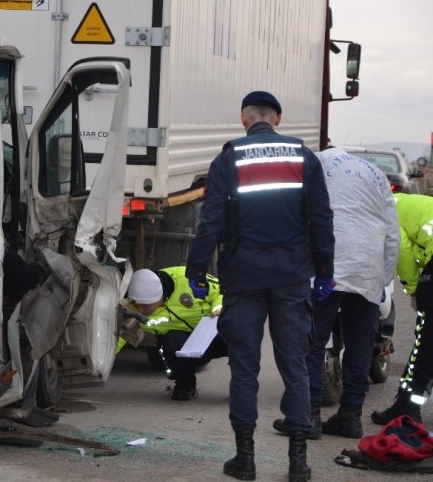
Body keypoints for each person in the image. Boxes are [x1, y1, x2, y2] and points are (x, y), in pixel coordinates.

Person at [186, 91, 335, 482]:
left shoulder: (229, 157)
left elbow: (210, 222)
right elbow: (321, 218)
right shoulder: (304, 158)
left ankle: (245, 460)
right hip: (291, 277)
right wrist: (325, 271)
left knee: (245, 369)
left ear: (244, 119)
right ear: (278, 119)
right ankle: (298, 464)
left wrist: (196, 271)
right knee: (296, 366)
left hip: (244, 278)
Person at [273, 147, 399, 440]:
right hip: (368, 266)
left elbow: (297, 215)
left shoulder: (314, 163)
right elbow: (392, 233)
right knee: (360, 345)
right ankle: (350, 417)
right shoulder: (377, 175)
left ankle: (309, 417)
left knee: (312, 342)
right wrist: (383, 278)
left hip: (329, 264)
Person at [371, 192, 433, 425]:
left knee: (425, 344)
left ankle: (407, 406)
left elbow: (402, 250)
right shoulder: (412, 204)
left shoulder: (387, 210)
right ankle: (405, 402)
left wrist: (414, 288)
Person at [121, 267, 227, 401]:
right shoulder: (132, 310)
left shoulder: (188, 279)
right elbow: (120, 334)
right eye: (137, 305)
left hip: (216, 335)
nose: (140, 310)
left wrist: (218, 308)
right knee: (170, 342)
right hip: (184, 347)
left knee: (240, 333)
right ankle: (185, 385)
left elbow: (223, 290)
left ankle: (240, 385)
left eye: (146, 305)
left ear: (160, 297)